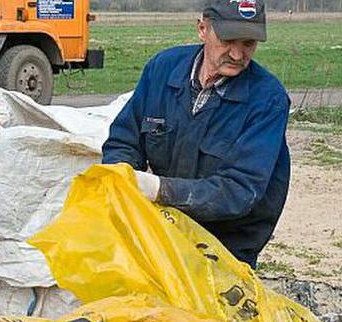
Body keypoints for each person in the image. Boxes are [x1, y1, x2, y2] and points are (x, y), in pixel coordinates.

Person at [102, 0, 290, 269]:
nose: (237, 55)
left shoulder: (267, 99)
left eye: (248, 43)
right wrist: (122, 176)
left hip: (226, 247)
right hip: (163, 229)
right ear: (203, 29)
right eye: (228, 40)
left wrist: (159, 189)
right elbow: (124, 138)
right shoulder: (162, 69)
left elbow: (240, 190)